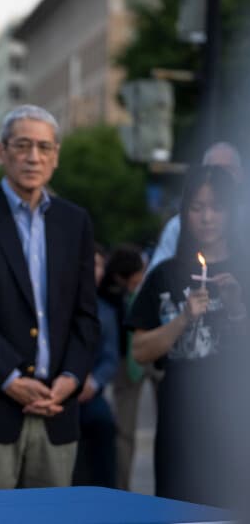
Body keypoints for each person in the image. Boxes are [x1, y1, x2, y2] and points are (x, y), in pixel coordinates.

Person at [0, 104, 99, 490]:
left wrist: (71, 378)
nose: (33, 157)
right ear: (2, 152)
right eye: (23, 145)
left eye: (44, 147)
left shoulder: (75, 222)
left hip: (56, 411)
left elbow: (86, 316)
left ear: (56, 156)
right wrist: (11, 378)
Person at [127, 165, 249, 506]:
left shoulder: (245, 268)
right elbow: (139, 350)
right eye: (197, 208)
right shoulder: (164, 275)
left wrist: (237, 307)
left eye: (217, 207)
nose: (207, 217)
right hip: (181, 423)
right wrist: (183, 319)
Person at [146, 142, 243, 275]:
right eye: (197, 207)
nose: (207, 218)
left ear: (241, 174)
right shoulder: (177, 227)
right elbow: (156, 277)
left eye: (227, 170)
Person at [98, 244, 148, 490]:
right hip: (122, 362)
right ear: (121, 277)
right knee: (124, 432)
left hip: (148, 356)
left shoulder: (141, 288)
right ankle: (121, 487)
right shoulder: (106, 295)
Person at [72, 244, 121, 488]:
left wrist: (93, 382)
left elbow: (111, 357)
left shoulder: (107, 312)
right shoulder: (58, 305)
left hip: (91, 394)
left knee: (105, 422)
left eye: (99, 265)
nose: (93, 270)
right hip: (57, 393)